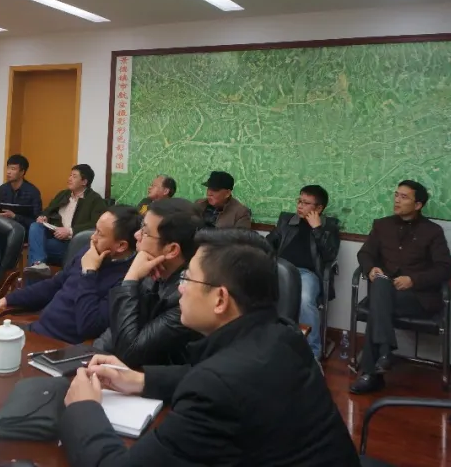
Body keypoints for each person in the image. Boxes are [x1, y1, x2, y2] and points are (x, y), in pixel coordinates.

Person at [59, 230, 360, 467]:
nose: (180, 288)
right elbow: (229, 381)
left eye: (187, 278)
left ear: (220, 299)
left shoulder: (217, 387)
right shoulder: (284, 335)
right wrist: (141, 380)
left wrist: (84, 408)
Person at [351, 180, 451, 395]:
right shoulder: (382, 225)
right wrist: (370, 268)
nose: (397, 200)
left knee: (378, 301)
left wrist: (413, 279)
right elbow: (365, 253)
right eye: (396, 195)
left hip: (415, 298)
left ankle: (373, 370)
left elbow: (445, 269)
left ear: (418, 205)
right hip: (385, 292)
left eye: (404, 197)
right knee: (380, 285)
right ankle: (383, 354)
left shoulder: (432, 231)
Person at [0, 205, 137, 344]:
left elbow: (88, 326)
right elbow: (55, 285)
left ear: (121, 246)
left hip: (62, 348)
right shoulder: (89, 251)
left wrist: (89, 272)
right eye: (95, 230)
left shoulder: (127, 280)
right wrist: (8, 299)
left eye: (100, 234)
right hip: (37, 331)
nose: (93, 237)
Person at [94, 198, 201, 368]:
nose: (136, 235)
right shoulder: (152, 271)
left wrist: (130, 280)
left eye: (145, 232)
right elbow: (113, 333)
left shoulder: (187, 296)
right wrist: (90, 359)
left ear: (172, 249)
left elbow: (130, 354)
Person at [266, 184, 341, 359]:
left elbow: (329, 255)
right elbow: (269, 242)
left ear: (319, 208)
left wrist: (317, 229)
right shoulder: (287, 221)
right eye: (299, 201)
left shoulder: (329, 228)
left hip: (306, 274)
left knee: (305, 299)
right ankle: (263, 343)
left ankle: (312, 352)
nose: (300, 206)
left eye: (306, 203)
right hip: (280, 269)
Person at [24, 164, 108, 277]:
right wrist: (44, 217)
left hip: (71, 244)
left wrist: (70, 231)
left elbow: (96, 225)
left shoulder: (95, 200)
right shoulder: (63, 194)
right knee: (35, 226)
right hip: (54, 237)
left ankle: (37, 269)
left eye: (74, 176)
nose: (69, 179)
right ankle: (39, 264)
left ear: (84, 182)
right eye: (70, 175)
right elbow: (48, 210)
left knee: (34, 249)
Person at [0, 154, 43, 234]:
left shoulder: (33, 192)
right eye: (8, 168)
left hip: (24, 231)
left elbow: (37, 222)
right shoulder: (1, 189)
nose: (8, 172)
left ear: (22, 172)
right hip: (2, 227)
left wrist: (15, 216)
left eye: (13, 169)